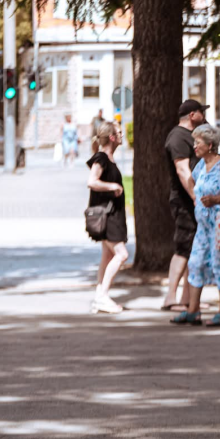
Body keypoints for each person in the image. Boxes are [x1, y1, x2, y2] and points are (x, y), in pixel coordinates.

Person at [170, 124, 220, 327]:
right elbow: (191, 181)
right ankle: (193, 310)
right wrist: (196, 198)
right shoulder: (201, 165)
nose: (195, 146)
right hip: (203, 229)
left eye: (198, 143)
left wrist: (216, 199)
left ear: (210, 145)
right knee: (195, 263)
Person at [162, 99, 208, 310]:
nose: (204, 116)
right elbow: (182, 170)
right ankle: (170, 297)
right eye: (201, 112)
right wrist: (195, 196)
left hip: (190, 200)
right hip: (184, 201)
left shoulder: (190, 136)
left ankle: (186, 299)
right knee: (183, 246)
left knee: (192, 248)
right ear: (192, 115)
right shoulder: (178, 138)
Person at [86, 121, 129, 314]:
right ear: (111, 137)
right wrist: (112, 187)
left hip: (112, 214)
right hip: (108, 215)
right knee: (122, 254)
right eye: (119, 132)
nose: (122, 135)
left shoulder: (108, 158)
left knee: (108, 254)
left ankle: (99, 295)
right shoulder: (101, 158)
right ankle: (103, 295)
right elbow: (92, 181)